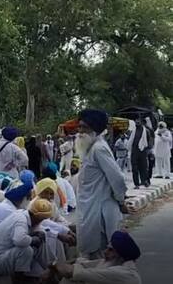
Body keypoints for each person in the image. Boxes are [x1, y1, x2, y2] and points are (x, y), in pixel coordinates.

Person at [75, 109, 128, 260]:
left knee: (100, 254)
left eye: (84, 127)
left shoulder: (99, 148)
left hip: (99, 211)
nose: (80, 131)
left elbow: (117, 178)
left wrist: (121, 200)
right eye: (79, 127)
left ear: (95, 128)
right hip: (89, 208)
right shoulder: (90, 148)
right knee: (93, 254)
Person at [0, 199, 55, 283]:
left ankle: (52, 267)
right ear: (35, 216)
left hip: (4, 257)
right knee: (26, 250)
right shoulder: (21, 219)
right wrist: (33, 239)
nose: (40, 222)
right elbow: (19, 240)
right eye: (41, 219)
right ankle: (19, 281)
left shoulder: (24, 216)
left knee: (40, 239)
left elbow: (35, 233)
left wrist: (38, 235)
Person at [45, 231, 141, 284]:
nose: (105, 252)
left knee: (72, 277)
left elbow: (71, 272)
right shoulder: (113, 262)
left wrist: (53, 265)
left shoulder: (123, 273)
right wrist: (53, 268)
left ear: (121, 255)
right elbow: (82, 262)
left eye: (111, 250)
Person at [129, 118, 151, 188]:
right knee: (134, 168)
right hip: (134, 151)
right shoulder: (133, 131)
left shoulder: (146, 131)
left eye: (138, 122)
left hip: (142, 151)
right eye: (136, 122)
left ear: (141, 122)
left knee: (143, 167)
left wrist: (148, 151)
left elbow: (148, 142)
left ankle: (144, 181)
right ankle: (136, 184)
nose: (137, 123)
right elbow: (131, 141)